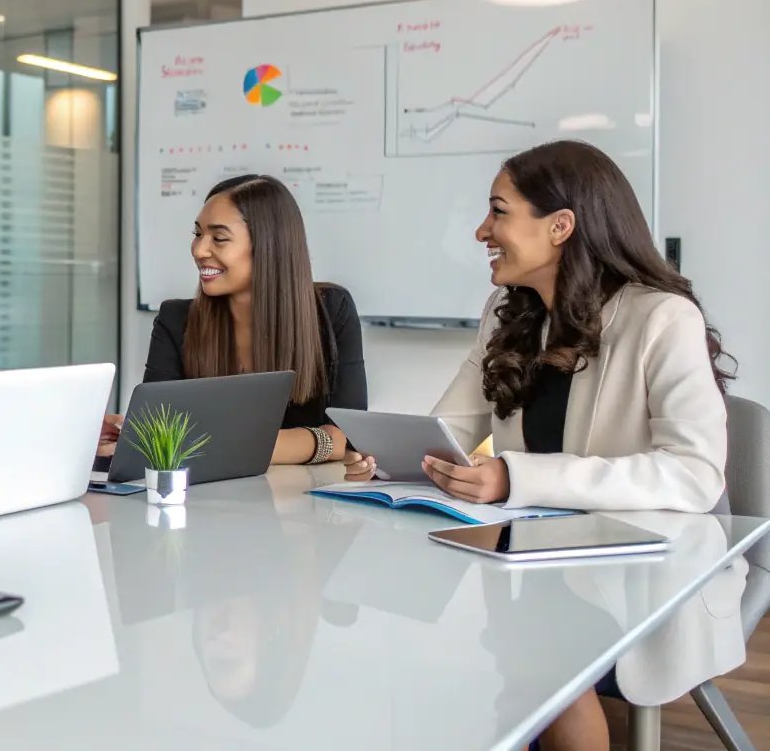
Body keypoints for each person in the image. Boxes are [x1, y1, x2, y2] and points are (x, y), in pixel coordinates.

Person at [345, 139, 736, 750]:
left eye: (498, 211)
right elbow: (449, 431)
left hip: (641, 569)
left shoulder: (662, 319)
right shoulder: (510, 309)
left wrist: (515, 477)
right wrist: (386, 457)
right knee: (477, 640)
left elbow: (694, 474)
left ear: (560, 227)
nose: (482, 230)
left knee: (542, 657)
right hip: (534, 562)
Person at [142, 174, 367, 466]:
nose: (199, 250)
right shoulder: (175, 321)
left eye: (219, 238)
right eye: (198, 234)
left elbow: (351, 438)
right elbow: (155, 439)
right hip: (208, 503)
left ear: (268, 247)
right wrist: (318, 440)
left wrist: (212, 442)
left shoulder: (330, 311)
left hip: (308, 503)